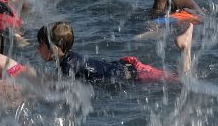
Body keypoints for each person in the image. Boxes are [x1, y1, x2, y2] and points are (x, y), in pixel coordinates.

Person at [37, 20, 194, 84]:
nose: (38, 49)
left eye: (40, 45)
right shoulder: (69, 60)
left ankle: (185, 46)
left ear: (54, 48)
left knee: (181, 81)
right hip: (124, 67)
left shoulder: (67, 67)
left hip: (133, 72)